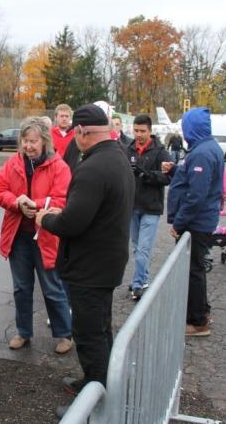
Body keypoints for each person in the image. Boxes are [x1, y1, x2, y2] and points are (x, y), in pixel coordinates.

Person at [36, 104, 134, 415]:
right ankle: (98, 383)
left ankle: (97, 403)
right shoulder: (117, 157)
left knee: (90, 333)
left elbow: (73, 223)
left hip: (90, 266)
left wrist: (46, 219)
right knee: (101, 328)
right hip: (107, 259)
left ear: (80, 132)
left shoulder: (92, 168)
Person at [0, 117, 73, 354]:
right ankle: (23, 332)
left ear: (44, 142)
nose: (28, 146)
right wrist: (17, 203)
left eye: (33, 141)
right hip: (18, 237)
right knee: (21, 287)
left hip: (46, 236)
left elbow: (62, 199)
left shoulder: (59, 166)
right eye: (25, 141)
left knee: (52, 287)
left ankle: (64, 334)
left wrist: (34, 205)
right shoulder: (13, 163)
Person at [166, 107, 224, 338]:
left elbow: (196, 194)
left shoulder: (201, 152)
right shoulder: (205, 148)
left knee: (193, 271)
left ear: (192, 127)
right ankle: (202, 312)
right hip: (201, 220)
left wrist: (178, 223)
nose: (184, 131)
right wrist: (176, 172)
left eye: (185, 127)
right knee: (195, 269)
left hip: (196, 223)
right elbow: (193, 180)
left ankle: (199, 321)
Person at [125, 114, 171, 301]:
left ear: (150, 131)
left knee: (144, 247)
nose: (139, 134)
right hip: (132, 206)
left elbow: (167, 177)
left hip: (151, 207)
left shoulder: (160, 151)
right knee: (137, 247)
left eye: (142, 131)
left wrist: (146, 175)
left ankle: (137, 284)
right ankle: (142, 278)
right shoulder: (128, 149)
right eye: (136, 130)